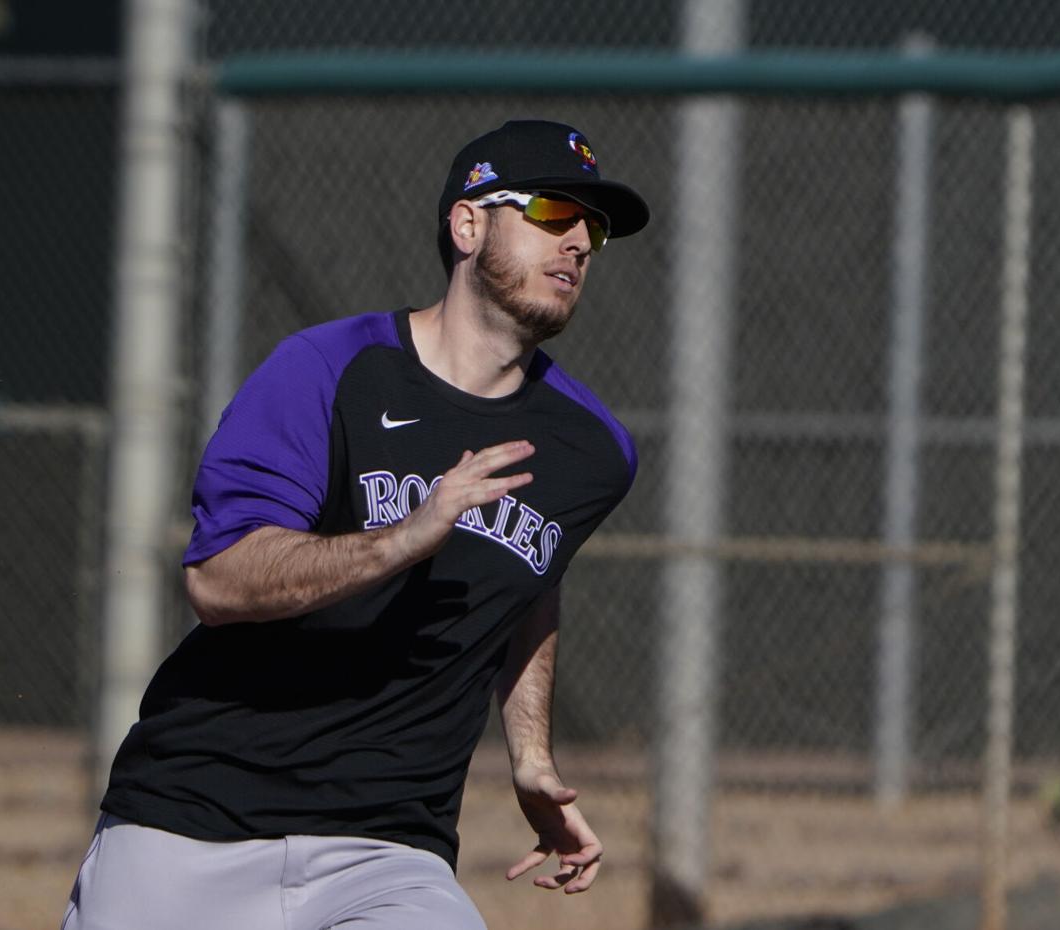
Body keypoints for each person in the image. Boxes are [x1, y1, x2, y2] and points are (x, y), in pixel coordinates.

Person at [63, 118, 650, 930]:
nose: (580, 240)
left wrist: (531, 756)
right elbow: (219, 578)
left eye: (597, 225)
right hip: (193, 822)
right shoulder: (327, 370)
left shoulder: (592, 449)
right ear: (468, 224)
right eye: (554, 211)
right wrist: (410, 535)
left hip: (387, 851)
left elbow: (528, 587)